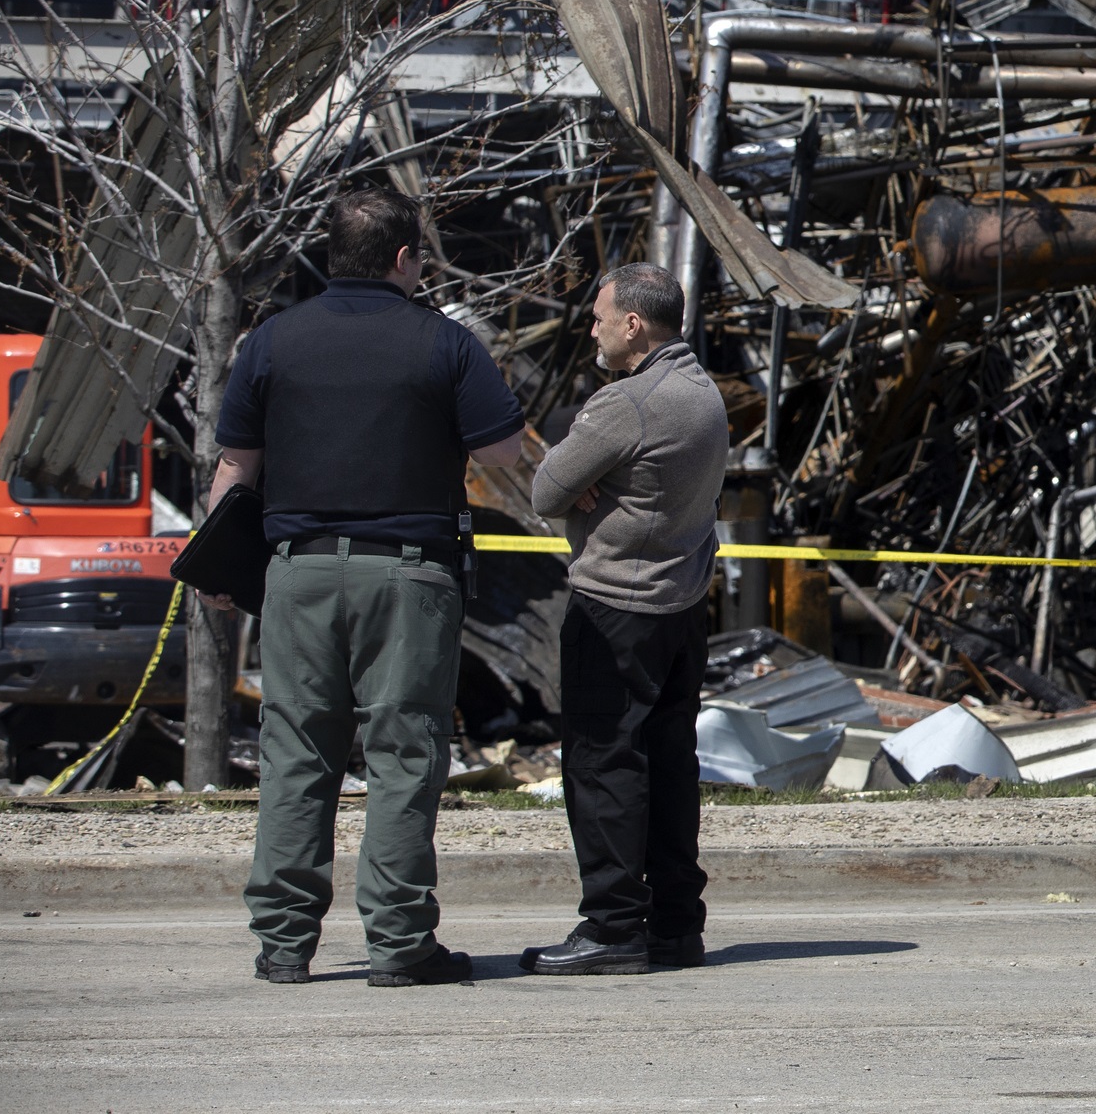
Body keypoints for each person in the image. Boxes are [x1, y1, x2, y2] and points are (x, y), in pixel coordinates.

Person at [211, 185, 528, 986]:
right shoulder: (444, 342)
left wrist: (216, 566)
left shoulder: (273, 340)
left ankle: (283, 944)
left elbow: (234, 468)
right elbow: (502, 454)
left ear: (332, 255)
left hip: (298, 572)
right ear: (404, 258)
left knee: (296, 755)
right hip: (407, 574)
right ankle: (399, 942)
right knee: (404, 753)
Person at [521, 264, 731, 975]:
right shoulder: (702, 391)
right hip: (682, 603)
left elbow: (547, 489)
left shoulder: (628, 403)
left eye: (600, 318)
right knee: (669, 765)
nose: (593, 330)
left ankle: (612, 926)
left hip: (616, 605)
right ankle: (674, 924)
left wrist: (585, 477)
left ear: (633, 325)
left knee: (603, 763)